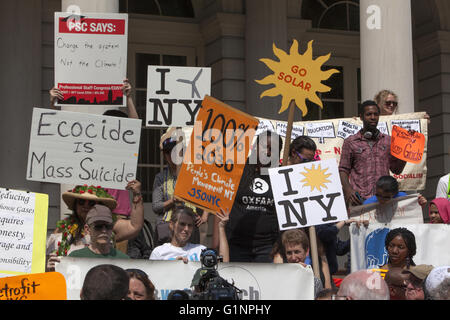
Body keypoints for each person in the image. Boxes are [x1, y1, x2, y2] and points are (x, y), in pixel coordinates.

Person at [46, 182, 143, 270]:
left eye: (91, 203)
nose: (86, 206)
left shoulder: (109, 223)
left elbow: (134, 226)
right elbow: (49, 255)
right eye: (81, 202)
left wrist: (136, 195)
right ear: (75, 205)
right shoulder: (64, 227)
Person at [224, 130, 282, 263]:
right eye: (264, 147)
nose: (267, 152)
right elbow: (223, 202)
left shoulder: (280, 175)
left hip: (267, 247)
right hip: (236, 244)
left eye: (272, 149)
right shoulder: (237, 170)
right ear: (255, 146)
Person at [339, 100, 407, 206]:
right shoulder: (350, 142)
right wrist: (348, 190)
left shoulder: (389, 140)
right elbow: (343, 169)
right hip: (359, 199)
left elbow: (396, 170)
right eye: (369, 114)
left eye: (375, 114)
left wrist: (405, 155)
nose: (373, 117)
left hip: (384, 199)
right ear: (361, 117)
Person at [152, 128, 208, 246]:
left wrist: (204, 216)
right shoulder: (160, 178)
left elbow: (208, 195)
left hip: (189, 227)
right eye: (168, 152)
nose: (172, 155)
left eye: (176, 150)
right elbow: (156, 207)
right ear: (164, 155)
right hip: (167, 228)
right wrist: (172, 201)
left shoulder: (194, 174)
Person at [150, 206, 229, 262]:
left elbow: (224, 263)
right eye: (182, 224)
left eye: (190, 225)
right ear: (171, 225)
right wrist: (172, 267)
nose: (186, 229)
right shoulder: (159, 252)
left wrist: (221, 227)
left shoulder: (200, 251)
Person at [271, 228, 328, 295]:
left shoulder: (314, 282)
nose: (293, 257)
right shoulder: (277, 279)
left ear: (306, 251)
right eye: (289, 253)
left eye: (297, 252)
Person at [363, 175, 427, 207]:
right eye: (378, 195)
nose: (381, 199)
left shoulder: (403, 198)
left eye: (386, 197)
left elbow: (413, 214)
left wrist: (420, 205)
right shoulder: (368, 204)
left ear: (395, 194)